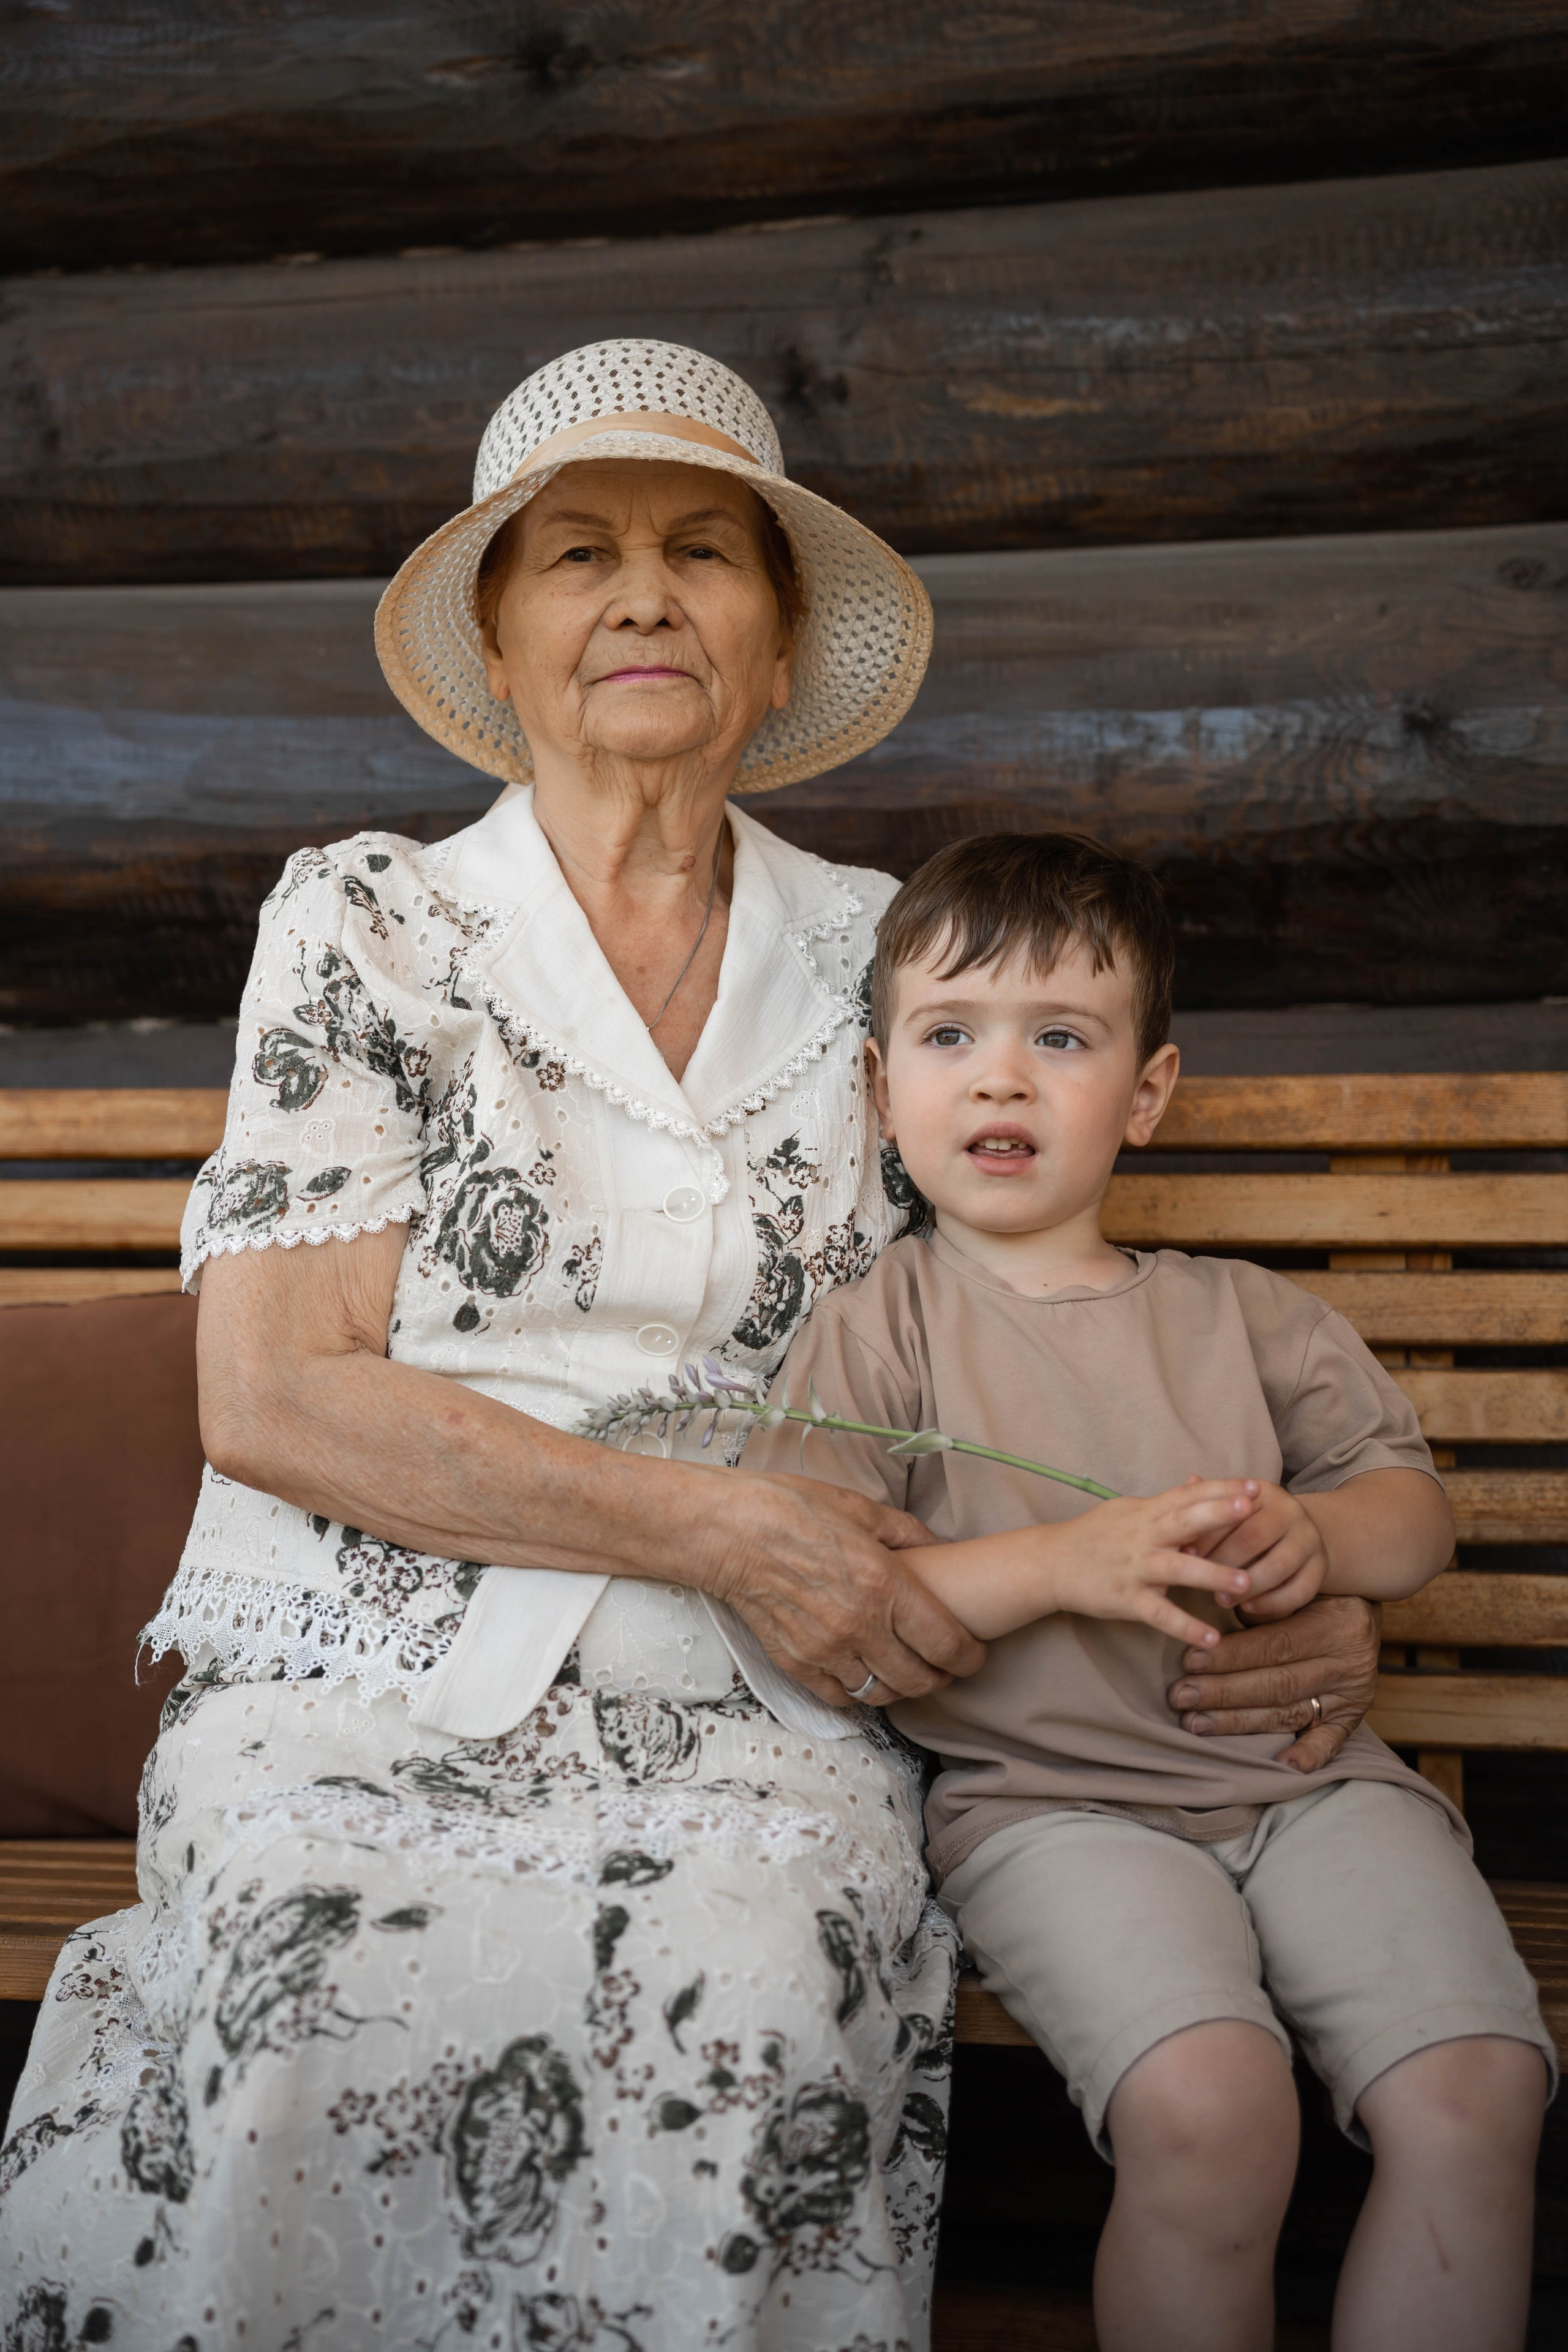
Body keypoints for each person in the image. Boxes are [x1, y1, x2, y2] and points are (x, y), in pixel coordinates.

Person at [0, 343, 1383, 2352]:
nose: (644, 593)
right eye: (581, 554)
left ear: (773, 632)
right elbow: (275, 1392)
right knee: (314, 1929)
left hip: (764, 1680)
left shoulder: (888, 957)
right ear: (502, 627)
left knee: (761, 1940)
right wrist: (720, 1528)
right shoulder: (370, 922)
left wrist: (1261, 1599)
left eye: (700, 551)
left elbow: (1007, 1351)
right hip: (371, 1653)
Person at [744, 831, 1555, 2352]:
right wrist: (1066, 1564)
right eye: (948, 1037)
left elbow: (1411, 1512)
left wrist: (1321, 1540)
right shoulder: (879, 1335)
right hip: (1055, 1811)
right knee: (1209, 2106)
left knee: (1475, 2088)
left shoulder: (1239, 1316)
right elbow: (825, 1588)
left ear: (1147, 1091)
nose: (1000, 1081)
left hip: (1312, 1785)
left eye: (1059, 1039)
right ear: (875, 1089)